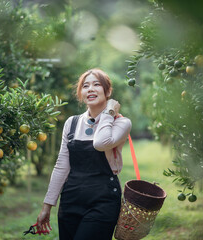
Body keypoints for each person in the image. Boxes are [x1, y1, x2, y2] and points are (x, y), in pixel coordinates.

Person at [36, 68, 132, 239]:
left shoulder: (121, 122)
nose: (90, 89)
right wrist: (47, 206)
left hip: (103, 201)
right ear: (80, 93)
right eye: (85, 86)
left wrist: (109, 112)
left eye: (96, 84)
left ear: (108, 91)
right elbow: (61, 166)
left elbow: (101, 143)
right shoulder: (72, 123)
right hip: (71, 201)